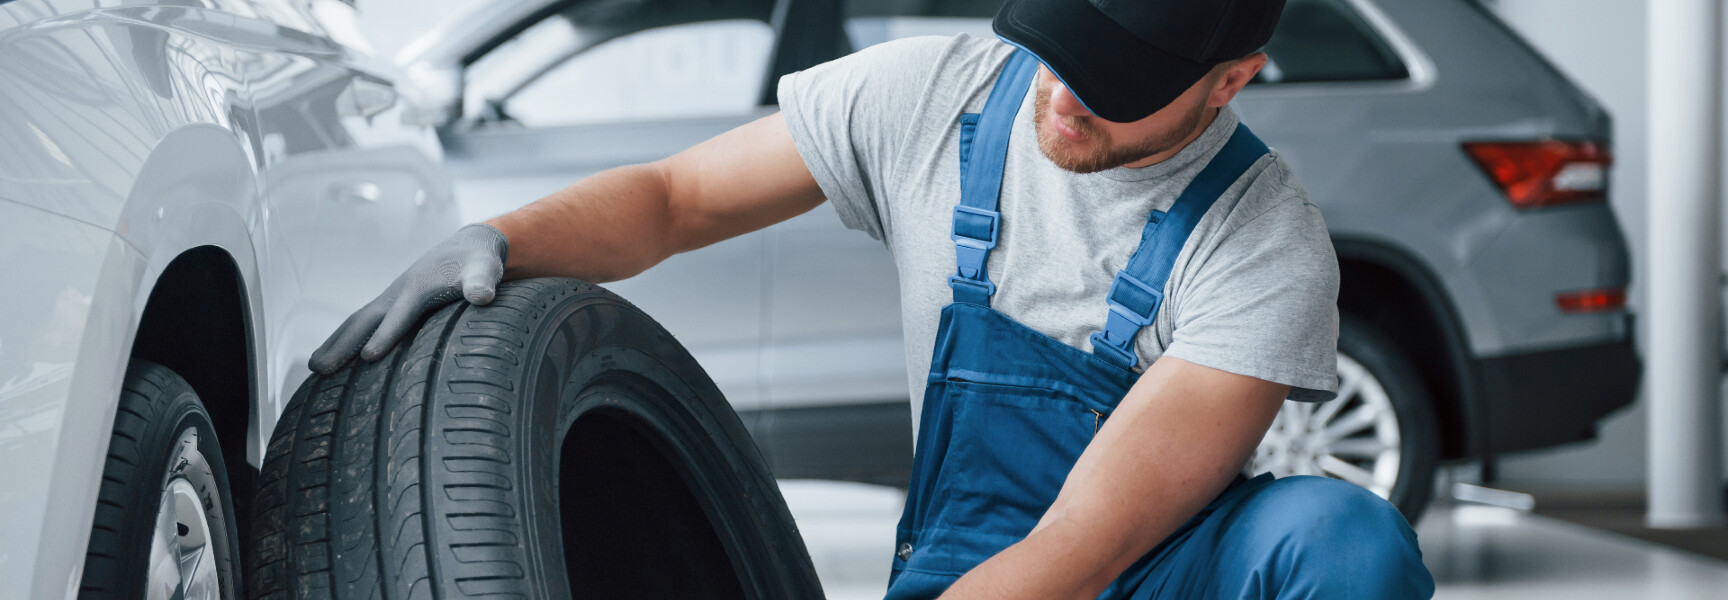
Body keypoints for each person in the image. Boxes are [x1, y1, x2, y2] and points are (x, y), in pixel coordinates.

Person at [311, 0, 1436, 597]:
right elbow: (674, 197)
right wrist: (502, 237)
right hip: (969, 563)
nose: (1063, 95)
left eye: (1114, 85)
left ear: (1231, 81)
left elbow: (1085, 552)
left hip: (1155, 570)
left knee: (1346, 541)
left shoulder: (1265, 241)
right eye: (1061, 46)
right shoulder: (935, 96)